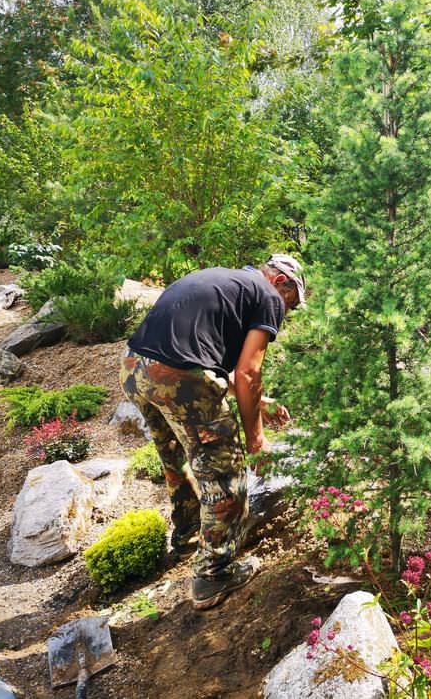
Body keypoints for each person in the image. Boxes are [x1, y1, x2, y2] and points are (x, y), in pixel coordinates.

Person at [120, 254, 306, 610]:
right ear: (281, 282)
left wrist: (257, 400)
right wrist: (257, 440)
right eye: (291, 304)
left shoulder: (226, 279)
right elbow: (248, 373)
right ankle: (213, 575)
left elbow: (212, 361)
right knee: (224, 467)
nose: (287, 313)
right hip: (177, 374)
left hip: (133, 367)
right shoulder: (267, 296)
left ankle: (188, 531)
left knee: (177, 455)